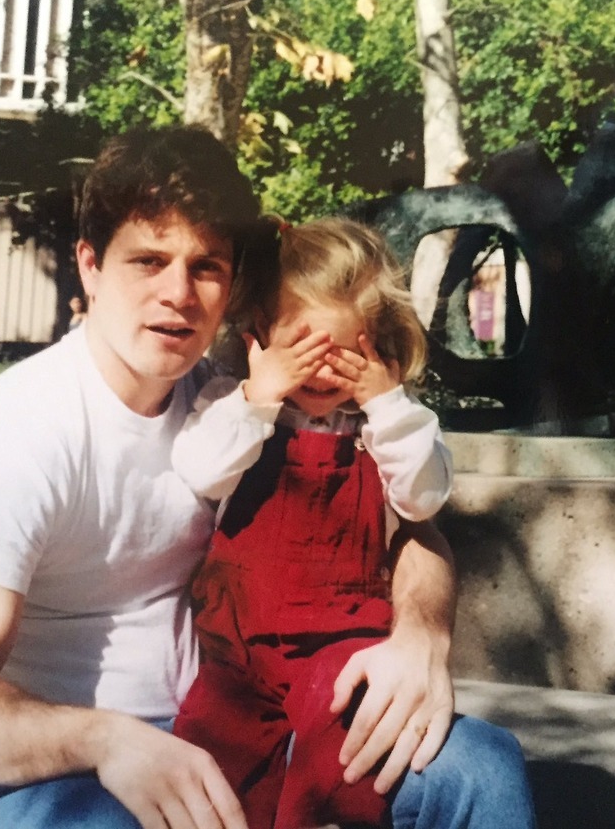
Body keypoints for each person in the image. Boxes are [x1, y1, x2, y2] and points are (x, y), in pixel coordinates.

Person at [0, 126, 535, 829]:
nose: (178, 292)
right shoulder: (19, 432)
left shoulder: (242, 400)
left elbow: (418, 528)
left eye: (205, 266)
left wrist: (421, 636)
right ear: (90, 265)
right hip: (64, 774)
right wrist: (109, 740)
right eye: (148, 259)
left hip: (243, 736)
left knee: (482, 767)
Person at [171, 217, 487, 829]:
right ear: (257, 336)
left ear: (380, 346)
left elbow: (423, 500)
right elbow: (202, 472)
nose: (319, 372)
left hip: (342, 641)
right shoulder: (234, 407)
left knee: (336, 761)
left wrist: (387, 405)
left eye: (343, 354)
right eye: (300, 350)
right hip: (236, 650)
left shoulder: (389, 426)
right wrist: (259, 399)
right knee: (210, 766)